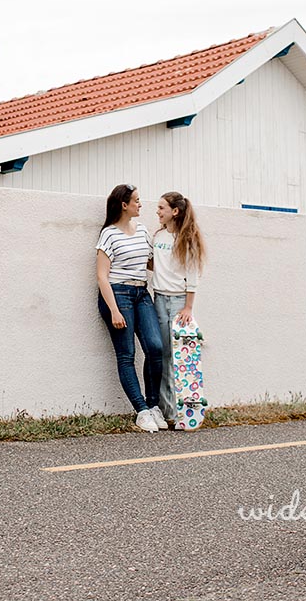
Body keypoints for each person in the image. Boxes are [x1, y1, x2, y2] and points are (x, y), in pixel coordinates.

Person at [96, 184, 167, 432]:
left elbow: (151, 264)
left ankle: (153, 405)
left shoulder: (143, 230)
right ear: (124, 205)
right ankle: (142, 410)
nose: (140, 204)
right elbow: (102, 276)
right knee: (126, 354)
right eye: (136, 200)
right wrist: (114, 310)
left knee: (155, 347)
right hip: (118, 295)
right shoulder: (109, 234)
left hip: (141, 294)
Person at [152, 192, 206, 428]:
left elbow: (192, 275)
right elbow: (154, 263)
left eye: (161, 208)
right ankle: (167, 411)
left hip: (178, 302)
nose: (157, 212)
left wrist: (188, 307)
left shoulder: (187, 239)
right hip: (158, 299)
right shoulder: (158, 236)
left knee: (178, 358)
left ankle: (180, 412)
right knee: (163, 355)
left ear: (175, 211)